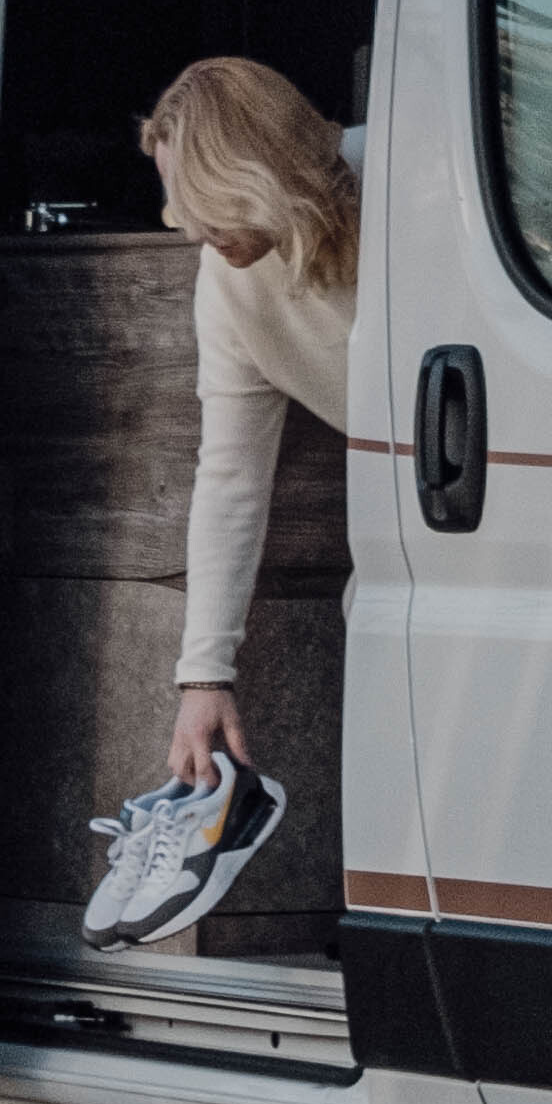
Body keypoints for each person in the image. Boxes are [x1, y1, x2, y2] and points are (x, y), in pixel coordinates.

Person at [143, 54, 355, 794]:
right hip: (422, 530)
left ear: (258, 170)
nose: (191, 231)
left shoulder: (410, 180)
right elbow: (231, 476)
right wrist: (203, 675)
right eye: (177, 209)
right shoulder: (227, 285)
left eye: (201, 202)